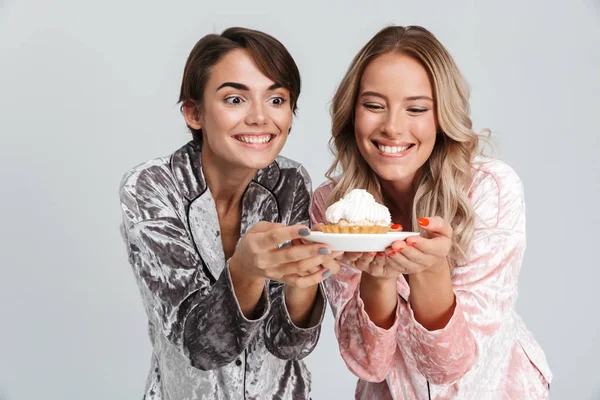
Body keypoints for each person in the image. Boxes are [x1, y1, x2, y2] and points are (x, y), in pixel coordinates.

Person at [310, 25, 552, 399]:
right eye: (373, 105)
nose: (392, 127)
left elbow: (450, 368)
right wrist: (376, 279)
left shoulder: (490, 189)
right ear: (351, 112)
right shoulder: (333, 208)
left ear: (442, 116)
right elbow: (368, 365)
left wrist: (431, 271)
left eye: (417, 109)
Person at [119, 27, 340, 399]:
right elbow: (202, 347)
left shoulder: (290, 181)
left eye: (276, 99)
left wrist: (306, 280)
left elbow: (289, 347)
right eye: (235, 100)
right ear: (194, 113)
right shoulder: (152, 188)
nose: (259, 118)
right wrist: (246, 271)